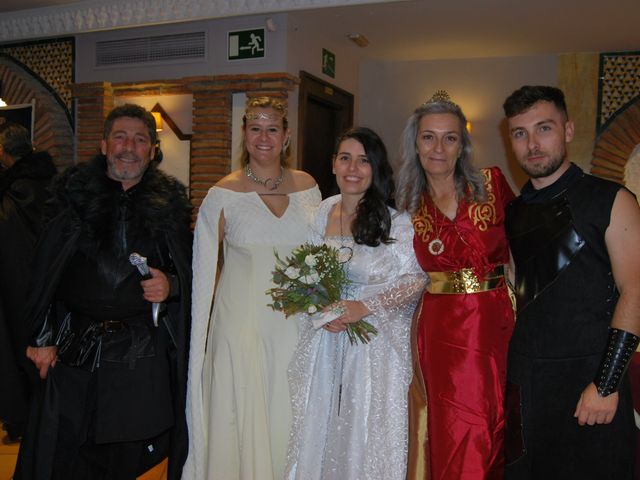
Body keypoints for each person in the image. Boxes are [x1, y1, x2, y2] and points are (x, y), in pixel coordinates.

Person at [15, 104, 192, 480]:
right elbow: (43, 274)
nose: (129, 147)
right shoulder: (71, 199)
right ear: (103, 144)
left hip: (139, 356)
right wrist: (42, 337)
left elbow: (189, 273)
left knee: (131, 457)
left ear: (152, 150)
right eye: (120, 137)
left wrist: (171, 286)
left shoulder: (170, 206)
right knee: (69, 454)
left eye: (140, 139)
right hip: (77, 350)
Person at [502, 85, 640, 479]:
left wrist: (607, 382)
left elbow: (636, 289)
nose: (532, 144)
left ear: (567, 130)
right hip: (525, 381)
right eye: (519, 133)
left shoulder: (611, 199)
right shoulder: (511, 212)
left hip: (591, 380)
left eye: (543, 128)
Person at [183, 96, 321, 480]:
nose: (264, 137)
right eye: (255, 128)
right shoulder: (221, 195)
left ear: (286, 135)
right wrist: (204, 341)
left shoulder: (309, 189)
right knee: (244, 414)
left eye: (273, 128)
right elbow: (204, 274)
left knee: (288, 414)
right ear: (244, 134)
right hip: (240, 329)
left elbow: (326, 254)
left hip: (295, 327)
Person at [285, 127, 427, 480]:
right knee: (322, 424)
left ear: (376, 169)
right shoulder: (323, 212)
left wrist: (365, 308)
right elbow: (308, 271)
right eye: (345, 158)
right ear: (333, 165)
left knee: (361, 432)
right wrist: (321, 309)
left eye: (364, 161)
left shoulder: (397, 222)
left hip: (372, 349)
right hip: (326, 343)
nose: (353, 168)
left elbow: (416, 279)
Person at [396, 91, 516, 479]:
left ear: (462, 144)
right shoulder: (407, 206)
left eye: (449, 137)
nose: (438, 147)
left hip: (493, 321)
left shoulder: (492, 184)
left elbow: (531, 245)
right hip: (439, 327)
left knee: (491, 420)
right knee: (446, 424)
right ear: (415, 143)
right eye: (428, 137)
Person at [0, 122, 56, 443]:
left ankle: (24, 419)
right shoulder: (53, 182)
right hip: (50, 284)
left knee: (19, 353)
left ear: (4, 153)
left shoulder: (12, 193)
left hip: (16, 286)